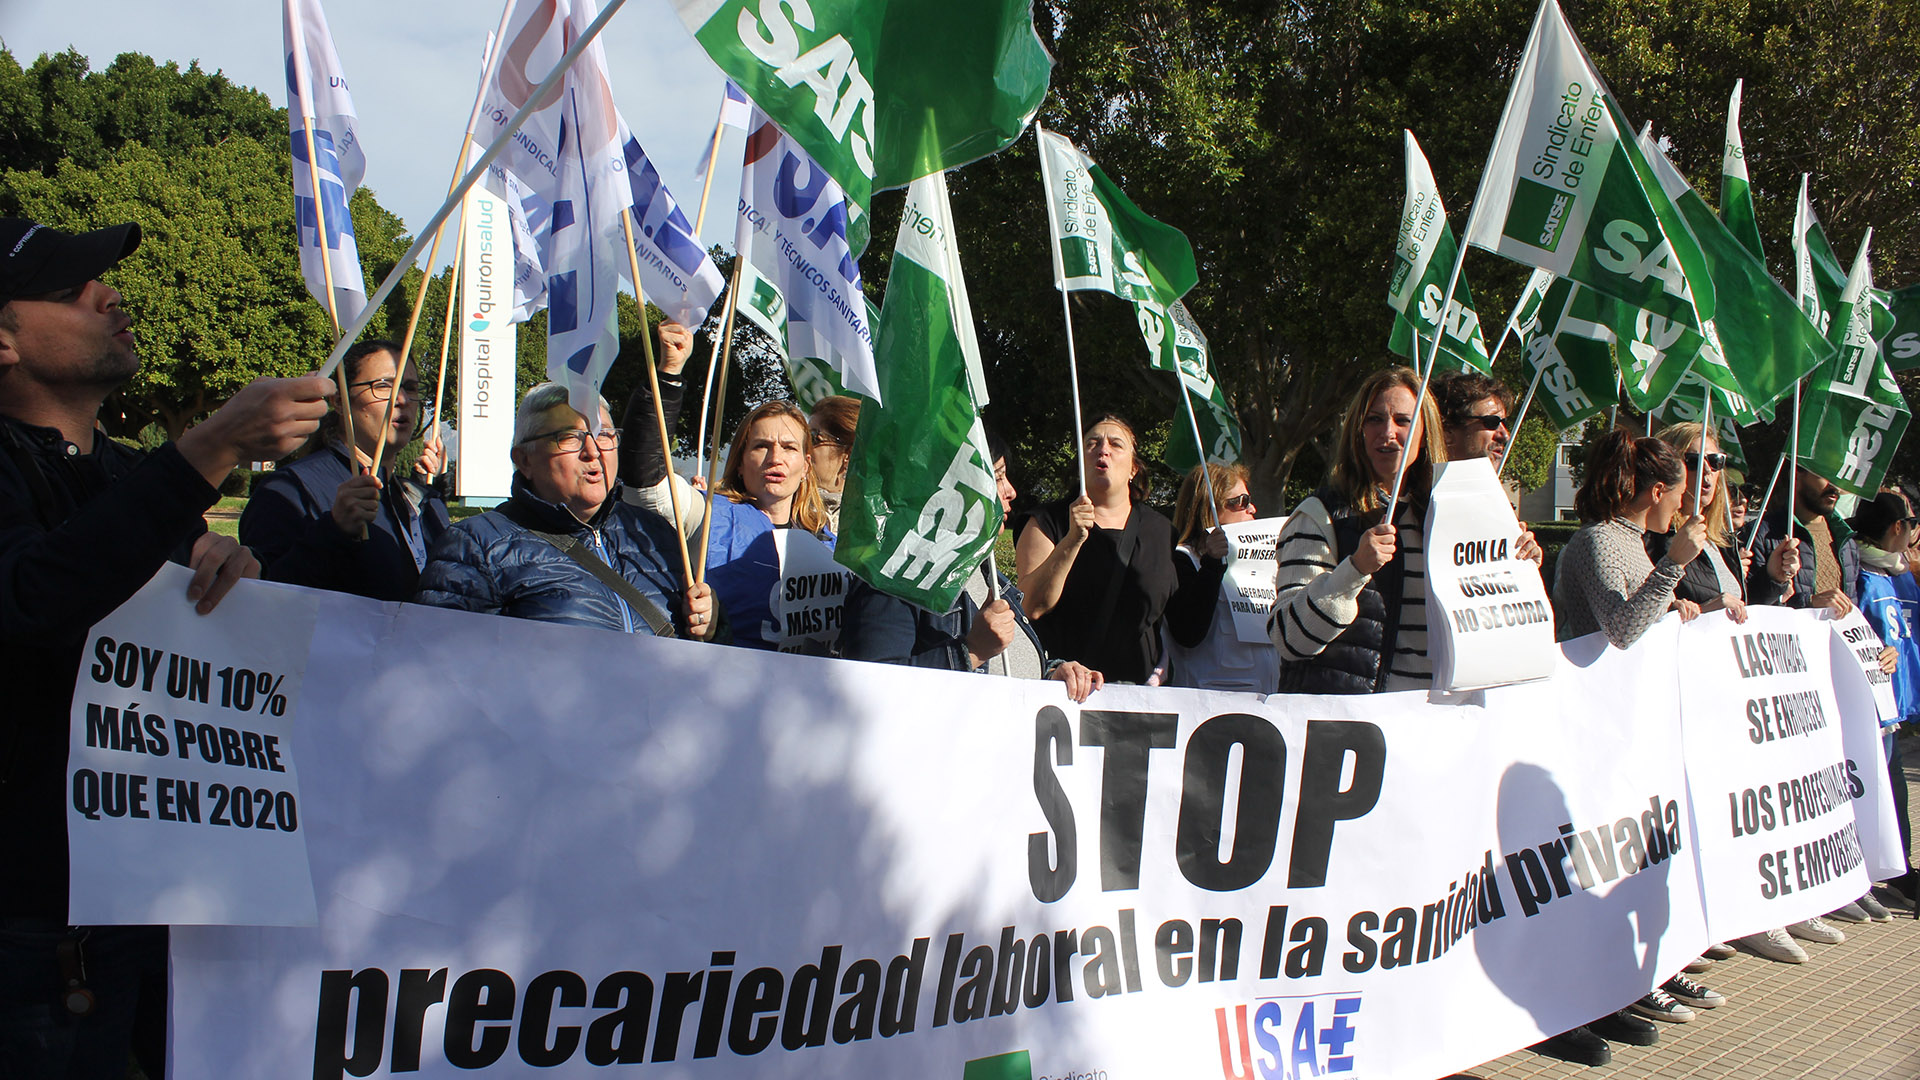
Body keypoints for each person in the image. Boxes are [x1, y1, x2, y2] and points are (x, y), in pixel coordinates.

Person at [0, 217, 335, 1078]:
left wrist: (223, 567)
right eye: (71, 289)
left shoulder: (123, 474)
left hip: (158, 906)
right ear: (3, 340)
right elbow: (31, 597)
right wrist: (210, 447)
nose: (108, 295)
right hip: (36, 927)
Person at [414, 382, 717, 639]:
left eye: (604, 435)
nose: (593, 451)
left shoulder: (654, 532)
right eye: (570, 438)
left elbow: (704, 654)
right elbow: (443, 661)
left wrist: (712, 620)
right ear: (524, 459)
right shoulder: (475, 545)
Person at [838, 429, 1103, 701]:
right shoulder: (893, 577)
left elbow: (1008, 671)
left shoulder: (985, 572)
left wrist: (1053, 675)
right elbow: (871, 692)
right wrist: (972, 651)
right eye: (998, 477)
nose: (1011, 491)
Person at [1270, 367, 1479, 693]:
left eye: (1403, 420)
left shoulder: (1447, 517)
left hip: (1435, 725)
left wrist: (1514, 560)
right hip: (1354, 729)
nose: (1388, 432)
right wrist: (1353, 570)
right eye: (1374, 419)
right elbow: (1290, 640)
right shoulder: (1320, 515)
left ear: (1426, 430)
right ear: (1357, 431)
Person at [620, 335, 833, 651]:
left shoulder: (830, 539)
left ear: (805, 466)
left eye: (788, 448)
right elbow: (645, 482)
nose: (775, 458)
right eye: (761, 446)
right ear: (741, 461)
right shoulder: (704, 517)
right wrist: (669, 375)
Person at [238, 338, 451, 600]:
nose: (402, 399)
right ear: (340, 402)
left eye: (411, 387)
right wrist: (335, 532)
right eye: (383, 386)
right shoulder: (289, 490)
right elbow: (263, 600)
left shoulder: (421, 501)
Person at [1015, 414, 1180, 684]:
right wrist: (1071, 540)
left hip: (1142, 700)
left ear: (1133, 469)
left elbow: (1182, 626)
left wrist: (1213, 564)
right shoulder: (1046, 522)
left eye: (1116, 444)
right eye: (1092, 443)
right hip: (1068, 693)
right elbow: (1031, 606)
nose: (1103, 449)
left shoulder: (1162, 531)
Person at [1552, 430, 1704, 647]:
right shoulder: (1598, 538)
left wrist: (1671, 609)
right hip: (1601, 678)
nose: (1680, 506)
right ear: (1658, 492)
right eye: (1679, 494)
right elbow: (1620, 632)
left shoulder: (1628, 538)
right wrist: (1672, 565)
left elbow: (1638, 612)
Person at [1849, 491, 1917, 918]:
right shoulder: (1865, 577)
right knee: (1875, 787)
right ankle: (1870, 872)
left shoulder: (1897, 574)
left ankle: (1898, 867)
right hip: (1872, 703)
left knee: (1896, 786)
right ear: (1898, 528)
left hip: (1895, 705)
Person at [1643, 423, 1792, 620]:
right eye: (1693, 461)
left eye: (1715, 461)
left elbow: (1743, 611)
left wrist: (1773, 577)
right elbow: (1641, 615)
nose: (1707, 470)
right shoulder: (1652, 537)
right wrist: (1703, 611)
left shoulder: (1722, 540)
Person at [1161, 462, 1277, 692]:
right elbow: (1187, 633)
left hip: (1269, 702)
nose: (1252, 508)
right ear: (1210, 508)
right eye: (1241, 501)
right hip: (1213, 704)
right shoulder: (1182, 560)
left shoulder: (1264, 562)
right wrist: (1212, 565)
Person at [1747, 464, 1856, 617]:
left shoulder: (1846, 540)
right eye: (1826, 474)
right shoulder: (1761, 534)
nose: (1834, 486)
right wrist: (1809, 603)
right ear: (1797, 474)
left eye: (1839, 476)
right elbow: (1750, 606)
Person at [1434, 369, 1514, 471]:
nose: (1505, 436)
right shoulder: (1411, 483)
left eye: (1504, 423)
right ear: (1447, 432)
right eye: (1492, 422)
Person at [807, 395, 859, 533]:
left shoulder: (874, 520)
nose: (803, 447)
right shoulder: (783, 507)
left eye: (813, 438)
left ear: (848, 454)